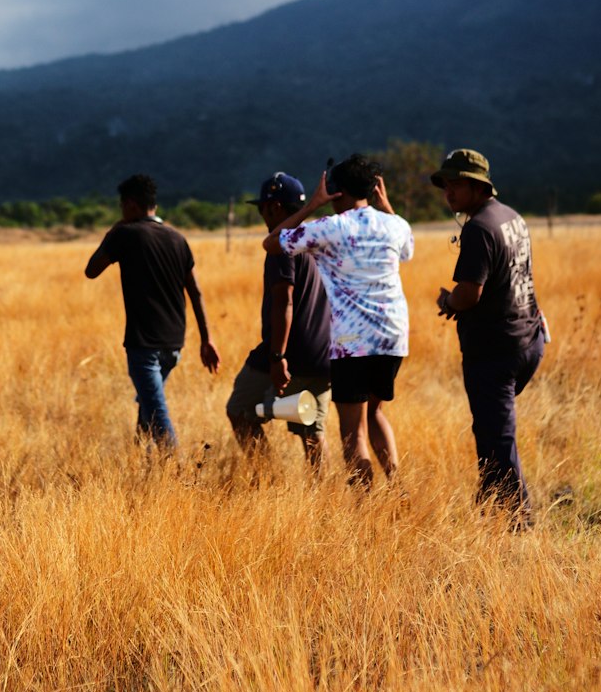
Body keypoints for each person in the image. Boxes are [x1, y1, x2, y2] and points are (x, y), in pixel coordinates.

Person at [263, 155, 413, 487]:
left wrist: (311, 206)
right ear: (374, 189)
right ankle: (399, 488)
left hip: (351, 345)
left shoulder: (330, 228)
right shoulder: (396, 224)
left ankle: (363, 507)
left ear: (337, 191)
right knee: (374, 412)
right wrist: (386, 206)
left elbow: (271, 243)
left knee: (352, 433)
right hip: (393, 339)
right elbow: (407, 252)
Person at [432, 148, 544, 522]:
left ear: (478, 186)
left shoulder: (480, 228)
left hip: (496, 348)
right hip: (529, 338)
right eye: (445, 185)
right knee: (491, 427)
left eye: (456, 184)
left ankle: (518, 519)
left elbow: (469, 293)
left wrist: (449, 300)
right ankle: (489, 502)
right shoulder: (511, 217)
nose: (448, 192)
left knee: (496, 434)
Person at [84, 173, 220, 447]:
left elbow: (91, 270)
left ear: (131, 205)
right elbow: (195, 291)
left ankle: (176, 474)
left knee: (158, 415)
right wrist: (206, 339)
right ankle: (144, 469)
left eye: (123, 207)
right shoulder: (177, 238)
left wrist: (114, 230)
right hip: (174, 345)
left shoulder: (125, 234)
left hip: (143, 344)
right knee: (148, 405)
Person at [226, 172, 332, 471]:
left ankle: (265, 476)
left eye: (262, 208)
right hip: (325, 351)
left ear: (273, 207)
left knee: (239, 409)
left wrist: (277, 356)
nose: (262, 214)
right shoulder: (315, 239)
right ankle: (324, 501)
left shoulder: (282, 244)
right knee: (312, 430)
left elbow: (284, 300)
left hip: (290, 351)